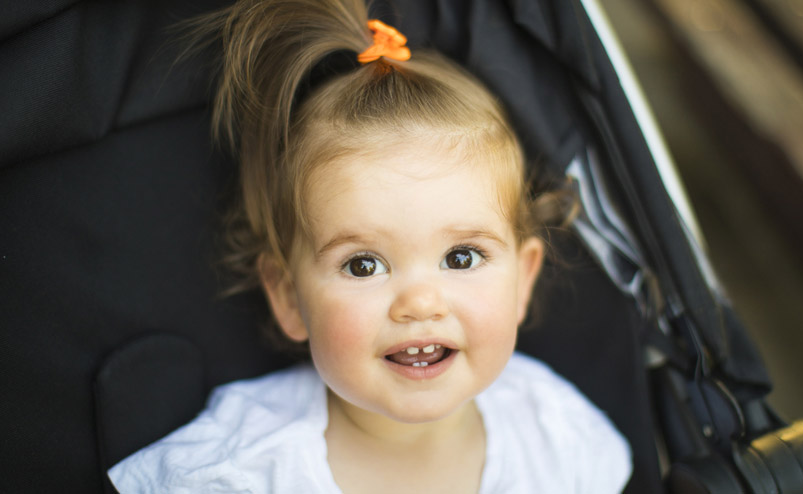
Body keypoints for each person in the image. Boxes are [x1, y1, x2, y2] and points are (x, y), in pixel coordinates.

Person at [108, 0, 632, 492]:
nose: (421, 303)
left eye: (462, 257)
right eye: (363, 265)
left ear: (523, 279)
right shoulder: (238, 471)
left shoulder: (560, 440)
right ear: (289, 297)